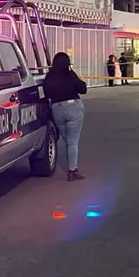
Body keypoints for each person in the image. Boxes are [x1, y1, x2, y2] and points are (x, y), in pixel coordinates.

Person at [43, 52, 87, 181]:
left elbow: (46, 93)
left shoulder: (49, 77)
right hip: (73, 108)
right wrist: (72, 72)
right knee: (73, 141)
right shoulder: (69, 74)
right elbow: (83, 89)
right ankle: (72, 171)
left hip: (57, 110)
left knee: (68, 140)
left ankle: (73, 167)